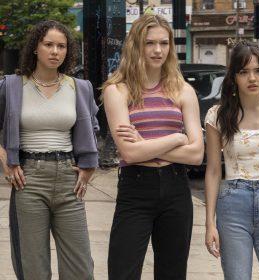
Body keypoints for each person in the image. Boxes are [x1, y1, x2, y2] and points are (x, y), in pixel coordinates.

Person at [102, 14, 204, 280]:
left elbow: (197, 155)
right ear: (136, 45)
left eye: (164, 43)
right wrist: (177, 138)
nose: (158, 50)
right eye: (149, 43)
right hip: (135, 189)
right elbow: (130, 153)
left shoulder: (183, 91)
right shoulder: (117, 90)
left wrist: (146, 144)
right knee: (122, 272)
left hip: (176, 188)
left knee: (172, 273)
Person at [0, 20, 99, 280]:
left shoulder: (79, 88)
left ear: (68, 51)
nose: (55, 51)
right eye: (49, 45)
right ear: (35, 48)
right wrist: (6, 160)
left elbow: (92, 128)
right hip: (29, 179)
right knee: (33, 267)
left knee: (80, 269)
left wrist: (88, 167)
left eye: (61, 46)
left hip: (69, 178)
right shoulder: (12, 86)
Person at [204, 40, 259, 280]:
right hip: (233, 204)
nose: (252, 78)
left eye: (258, 71)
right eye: (244, 71)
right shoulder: (218, 115)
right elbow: (214, 171)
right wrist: (209, 223)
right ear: (234, 77)